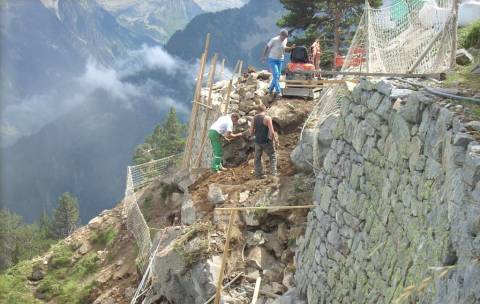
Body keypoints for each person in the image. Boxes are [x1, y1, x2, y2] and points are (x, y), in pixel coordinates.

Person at [262, 29, 295, 98]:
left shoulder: (285, 40)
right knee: (276, 74)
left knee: (278, 76)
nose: (285, 38)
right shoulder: (274, 40)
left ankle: (270, 89)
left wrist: (290, 48)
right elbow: (267, 47)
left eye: (286, 37)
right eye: (284, 37)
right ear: (281, 35)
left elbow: (284, 47)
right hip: (272, 60)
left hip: (280, 60)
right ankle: (278, 92)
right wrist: (264, 56)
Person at [249, 105, 277, 179]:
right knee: (272, 156)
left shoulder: (254, 118)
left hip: (257, 141)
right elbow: (272, 132)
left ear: (258, 110)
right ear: (265, 110)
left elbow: (251, 131)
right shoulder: (267, 118)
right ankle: (273, 175)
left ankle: (258, 175)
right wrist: (273, 140)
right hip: (266, 142)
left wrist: (253, 136)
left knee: (257, 158)